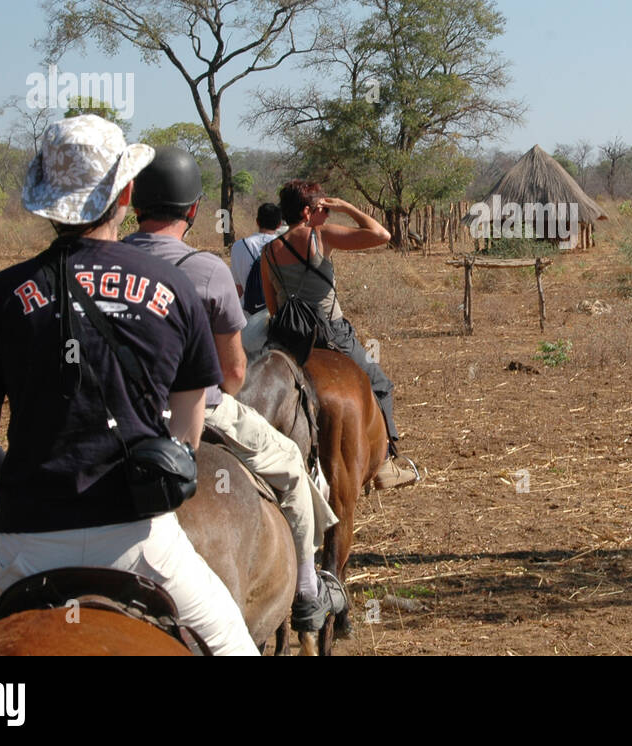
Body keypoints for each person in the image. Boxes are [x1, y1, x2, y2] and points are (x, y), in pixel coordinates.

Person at [0, 115, 258, 656]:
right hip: (143, 543)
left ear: (45, 198)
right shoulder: (176, 286)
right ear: (126, 191)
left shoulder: (0, 295)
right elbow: (185, 440)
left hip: (19, 545)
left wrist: (37, 508)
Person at [123, 148, 346, 632]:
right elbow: (233, 375)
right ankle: (308, 589)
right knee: (288, 462)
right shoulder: (205, 269)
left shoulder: (102, 261)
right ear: (195, 210)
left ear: (132, 203)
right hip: (197, 411)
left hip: (116, 417)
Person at [261, 179, 418, 489]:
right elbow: (381, 235)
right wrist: (346, 206)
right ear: (307, 212)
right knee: (381, 384)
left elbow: (271, 305)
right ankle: (386, 462)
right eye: (324, 209)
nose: (328, 214)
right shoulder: (321, 237)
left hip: (287, 338)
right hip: (331, 334)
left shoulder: (268, 251)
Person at [231, 202, 282, 314]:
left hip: (248, 315)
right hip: (279, 314)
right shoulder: (284, 246)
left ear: (257, 222)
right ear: (279, 224)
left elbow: (238, 289)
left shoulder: (238, 246)